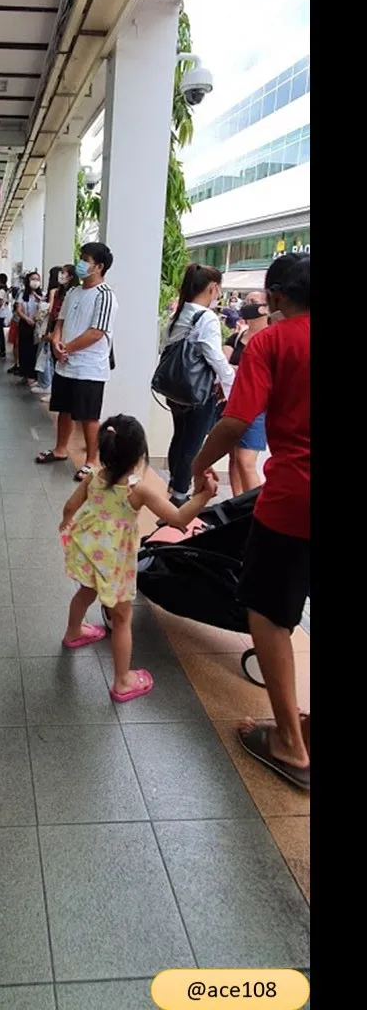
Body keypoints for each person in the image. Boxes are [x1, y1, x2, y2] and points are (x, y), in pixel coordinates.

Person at [192, 255, 310, 791]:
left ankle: (288, 741)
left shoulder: (272, 342)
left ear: (278, 296)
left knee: (269, 613)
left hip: (294, 500)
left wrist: (197, 464)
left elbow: (237, 420)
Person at [59, 414, 217, 700]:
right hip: (115, 562)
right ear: (138, 456)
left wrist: (66, 523)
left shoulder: (94, 476)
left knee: (85, 591)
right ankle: (122, 681)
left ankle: (73, 632)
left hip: (89, 550)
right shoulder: (136, 489)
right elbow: (179, 518)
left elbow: (70, 506)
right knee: (121, 618)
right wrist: (204, 496)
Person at [36, 242, 117, 481]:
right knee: (64, 410)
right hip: (66, 364)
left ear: (98, 266)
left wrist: (66, 348)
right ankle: (61, 449)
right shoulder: (73, 292)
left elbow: (96, 332)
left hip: (89, 367)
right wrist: (56, 342)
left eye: (85, 260)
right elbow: (60, 322)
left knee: (89, 416)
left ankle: (91, 461)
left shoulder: (105, 295)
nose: (80, 264)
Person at [162, 263, 235, 505]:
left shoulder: (179, 314)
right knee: (192, 443)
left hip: (175, 388)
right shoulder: (206, 317)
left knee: (180, 437)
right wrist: (230, 383)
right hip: (198, 392)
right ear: (213, 288)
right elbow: (214, 355)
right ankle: (180, 495)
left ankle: (175, 484)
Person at [224, 298, 269, 496]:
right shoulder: (236, 338)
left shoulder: (271, 338)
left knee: (245, 460)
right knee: (234, 458)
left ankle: (254, 507)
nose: (248, 305)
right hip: (232, 402)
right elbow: (223, 365)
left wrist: (237, 370)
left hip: (258, 406)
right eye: (248, 300)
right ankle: (238, 503)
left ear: (265, 308)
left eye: (254, 301)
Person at [33, 264, 79, 400]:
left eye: (63, 272)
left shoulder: (74, 293)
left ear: (71, 276)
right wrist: (49, 331)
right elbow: (53, 313)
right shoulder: (58, 292)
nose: (61, 275)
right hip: (54, 328)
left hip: (66, 331)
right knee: (53, 360)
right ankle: (54, 391)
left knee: (60, 360)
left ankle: (57, 392)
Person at [15, 271, 42, 385]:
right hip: (25, 324)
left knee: (34, 350)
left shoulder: (42, 295)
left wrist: (38, 298)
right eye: (33, 279)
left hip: (37, 325)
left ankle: (33, 375)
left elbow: (45, 308)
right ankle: (24, 374)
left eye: (37, 279)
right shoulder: (22, 294)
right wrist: (27, 319)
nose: (35, 282)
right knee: (24, 349)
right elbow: (19, 310)